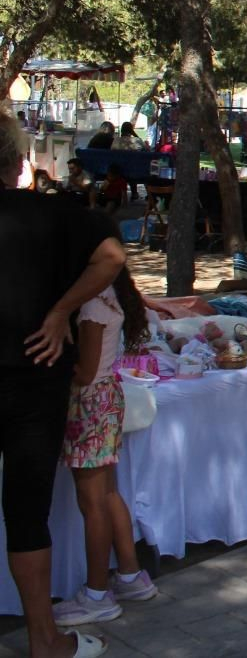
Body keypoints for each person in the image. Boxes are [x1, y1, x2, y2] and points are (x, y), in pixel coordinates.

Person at [0, 109, 126, 658]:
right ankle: (43, 640)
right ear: (18, 162)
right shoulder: (51, 214)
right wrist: (60, 312)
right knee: (27, 512)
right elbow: (113, 255)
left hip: (34, 382)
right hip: (33, 381)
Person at [50, 270, 160, 629]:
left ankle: (96, 594)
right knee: (109, 492)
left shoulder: (92, 304)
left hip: (90, 401)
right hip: (106, 397)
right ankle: (129, 573)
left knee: (92, 501)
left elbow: (84, 371)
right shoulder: (109, 293)